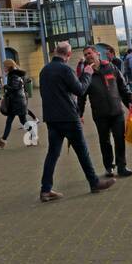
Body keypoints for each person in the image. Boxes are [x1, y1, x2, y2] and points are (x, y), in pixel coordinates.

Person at [38, 41, 116, 202]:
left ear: (55, 52)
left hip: (52, 118)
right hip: (68, 117)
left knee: (52, 154)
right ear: (68, 55)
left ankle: (45, 190)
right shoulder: (66, 69)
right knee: (82, 151)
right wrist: (87, 73)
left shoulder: (44, 70)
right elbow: (80, 89)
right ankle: (94, 183)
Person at [77, 46, 132, 178]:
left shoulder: (111, 67)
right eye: (85, 55)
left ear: (97, 53)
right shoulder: (86, 73)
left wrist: (130, 102)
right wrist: (79, 114)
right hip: (100, 114)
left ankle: (122, 166)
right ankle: (109, 167)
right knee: (105, 141)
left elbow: (122, 86)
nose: (88, 56)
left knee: (120, 139)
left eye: (89, 53)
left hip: (116, 111)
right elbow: (81, 96)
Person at [0, 59, 31, 149]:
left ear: (9, 66)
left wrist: (5, 86)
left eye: (4, 66)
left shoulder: (14, 75)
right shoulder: (14, 74)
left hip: (18, 102)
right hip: (16, 102)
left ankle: (33, 137)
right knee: (10, 121)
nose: (3, 68)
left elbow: (14, 88)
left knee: (23, 121)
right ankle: (3, 141)